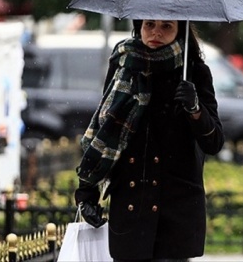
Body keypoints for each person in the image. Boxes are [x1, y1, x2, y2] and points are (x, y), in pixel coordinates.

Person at [74, 19, 224, 262]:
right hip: (131, 204)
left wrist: (195, 109)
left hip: (175, 209)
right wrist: (86, 192)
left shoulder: (193, 71)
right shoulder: (123, 65)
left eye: (167, 26)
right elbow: (105, 131)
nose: (156, 32)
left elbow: (214, 142)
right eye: (149, 24)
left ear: (179, 31)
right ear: (139, 26)